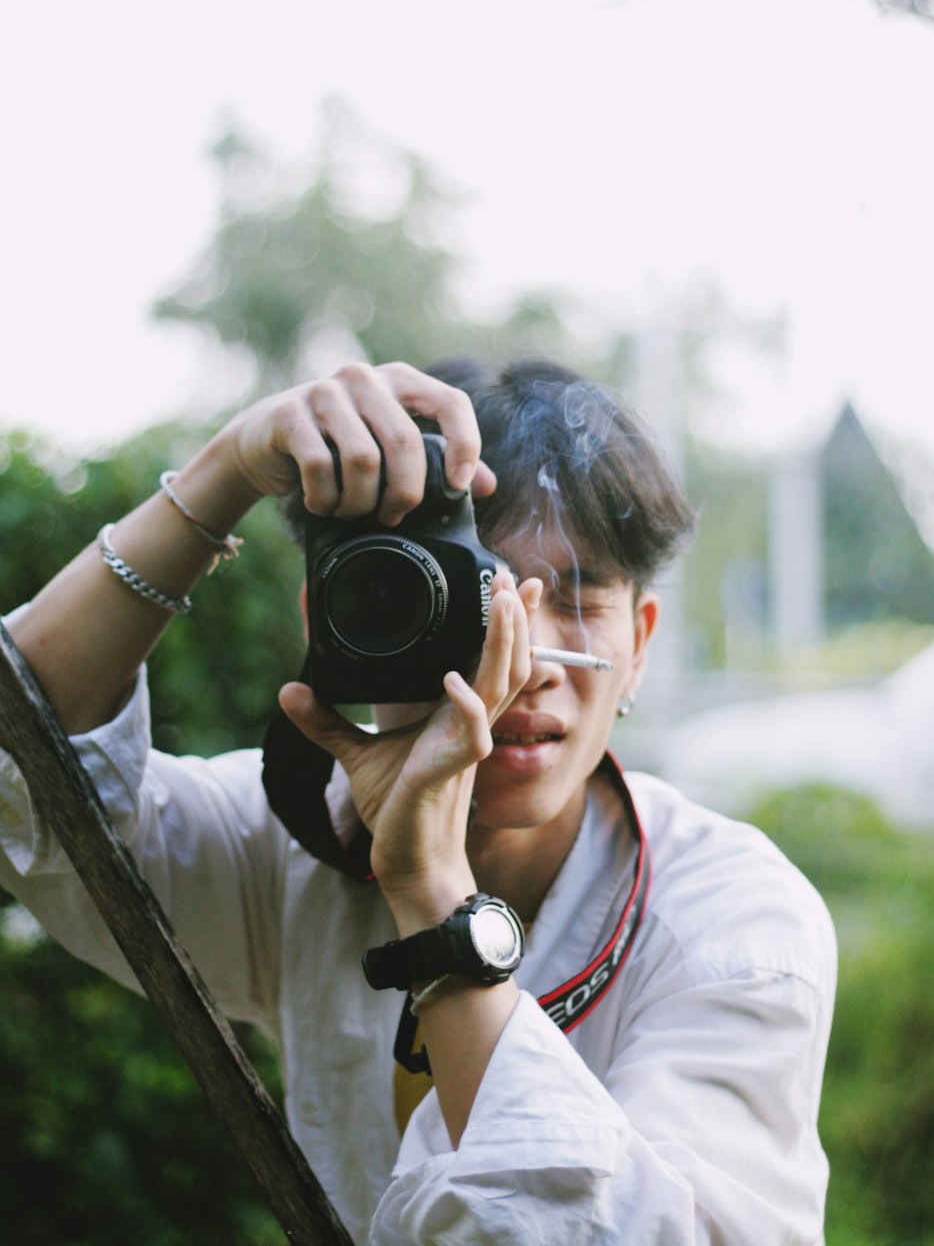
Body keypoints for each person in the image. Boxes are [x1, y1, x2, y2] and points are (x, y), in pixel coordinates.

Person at [0, 357, 837, 1244]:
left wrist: (432, 889)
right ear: (337, 618)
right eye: (471, 590)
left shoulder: (729, 922)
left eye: (578, 597)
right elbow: (30, 788)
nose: (526, 660)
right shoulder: (288, 844)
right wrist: (227, 471)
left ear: (638, 646)